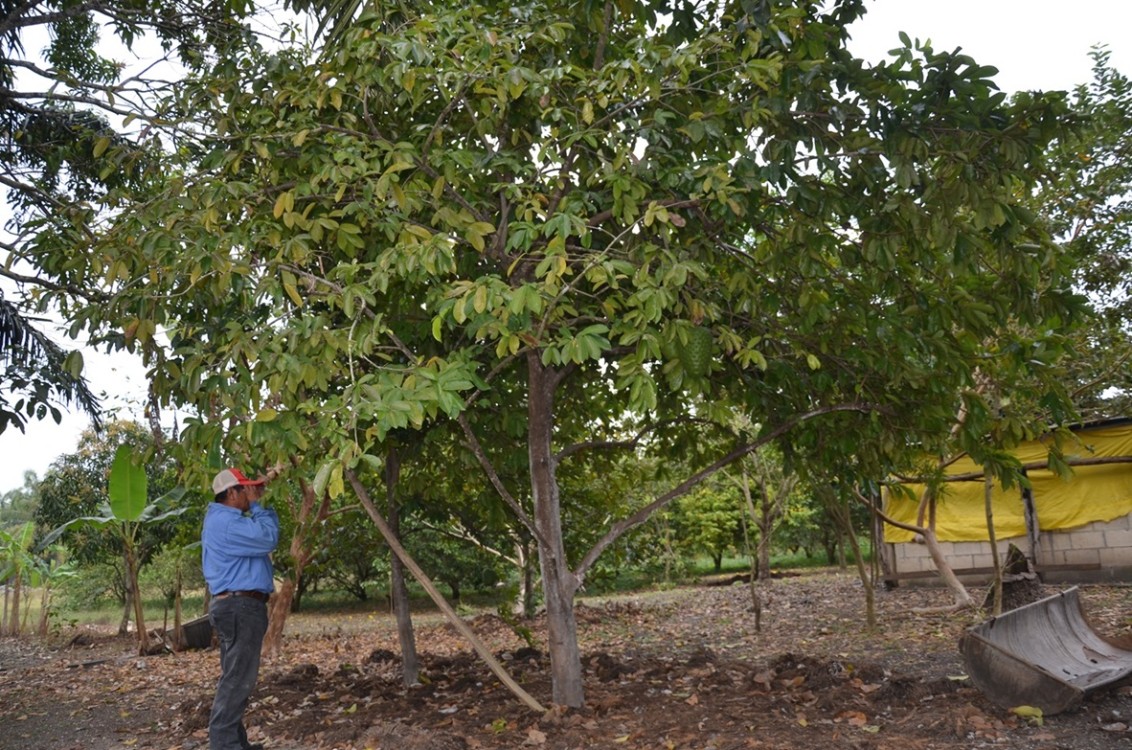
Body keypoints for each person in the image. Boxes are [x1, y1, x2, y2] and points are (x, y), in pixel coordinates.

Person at [202, 467, 280, 750]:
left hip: (236, 605)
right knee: (237, 679)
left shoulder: (226, 519)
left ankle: (235, 743)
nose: (251, 494)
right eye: (245, 490)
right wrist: (260, 505)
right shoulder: (227, 522)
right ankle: (223, 744)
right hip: (240, 607)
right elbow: (268, 537)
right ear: (232, 493)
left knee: (235, 676)